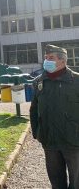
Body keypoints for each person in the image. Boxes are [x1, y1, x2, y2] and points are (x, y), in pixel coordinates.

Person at [30, 44, 79, 189]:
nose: (46, 61)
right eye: (46, 58)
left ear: (63, 61)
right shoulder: (39, 81)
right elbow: (34, 109)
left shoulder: (76, 81)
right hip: (49, 141)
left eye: (51, 58)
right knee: (56, 182)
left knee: (76, 182)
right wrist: (37, 133)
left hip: (74, 141)